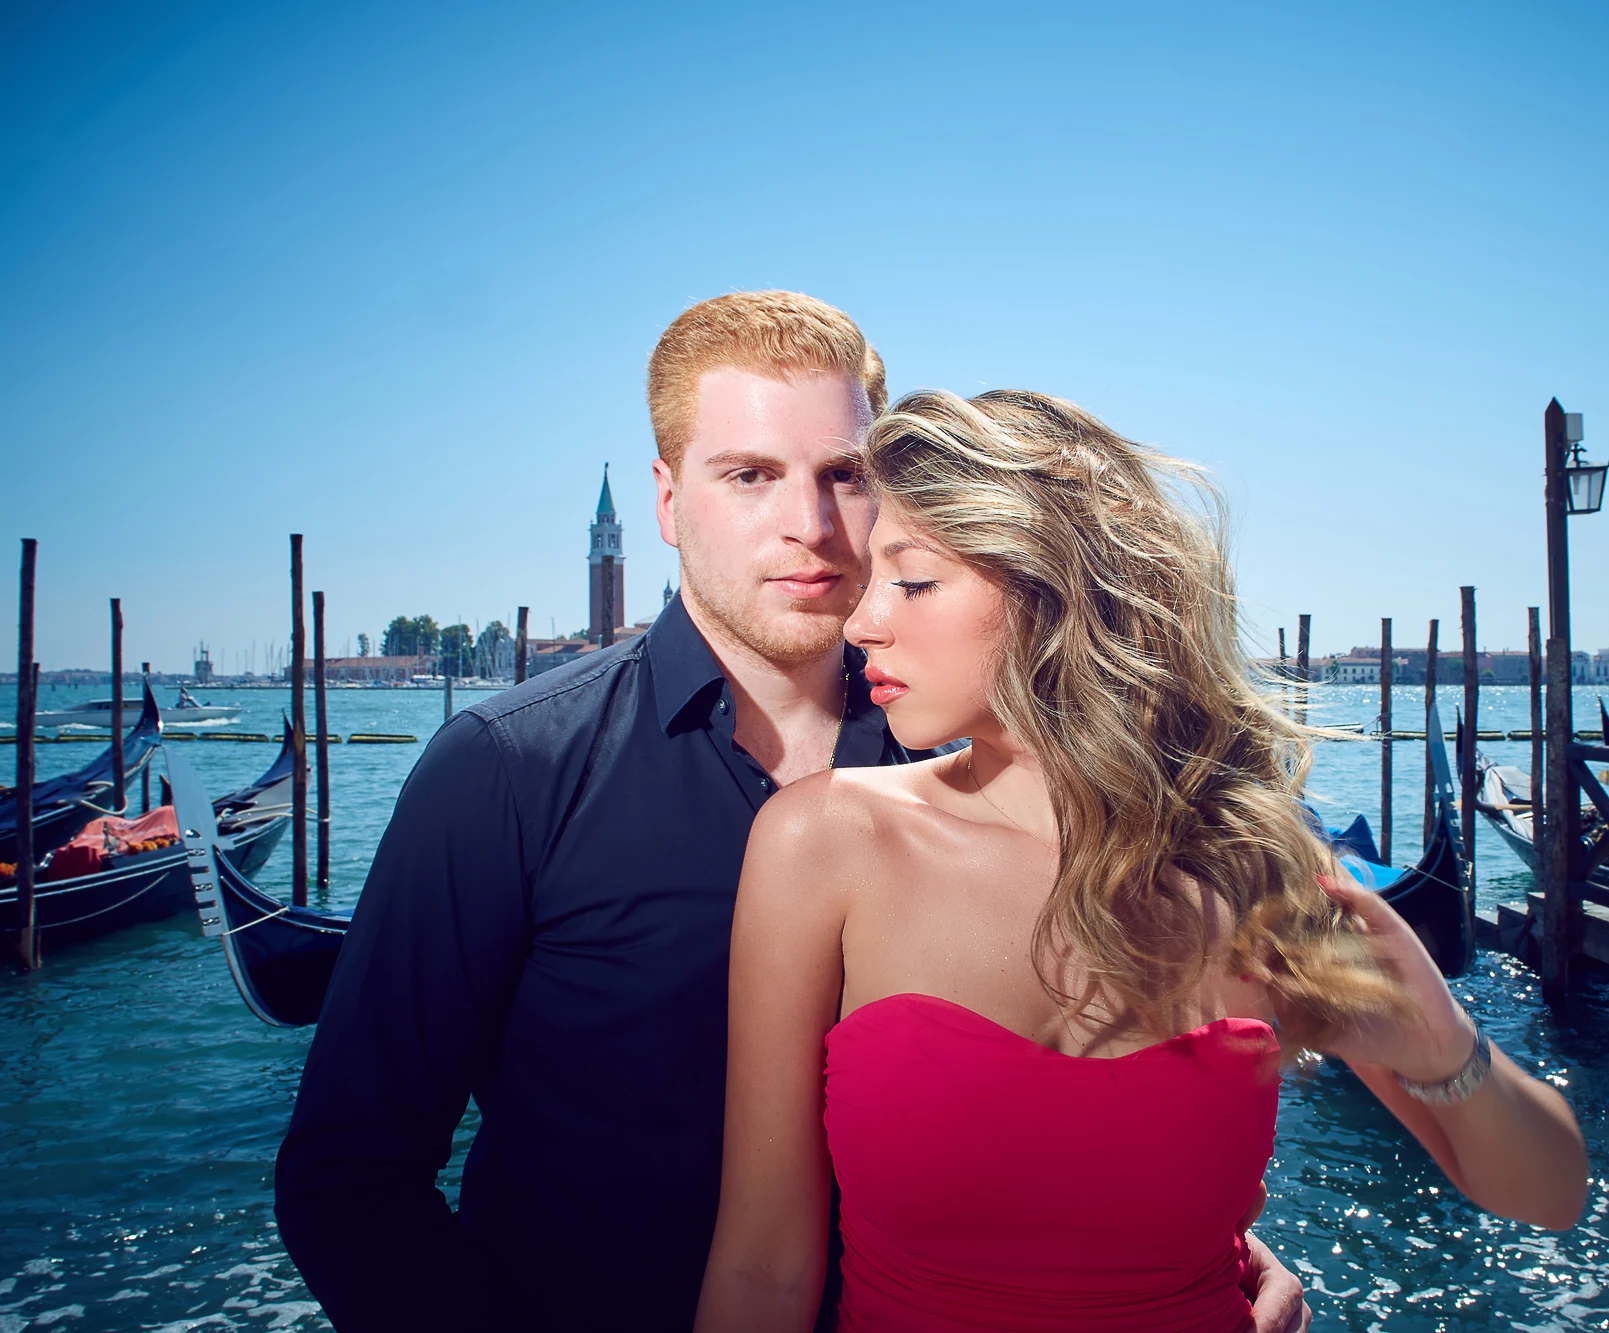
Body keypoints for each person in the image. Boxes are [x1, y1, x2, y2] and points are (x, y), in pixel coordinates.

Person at [273, 293, 1306, 1332]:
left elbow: (1061, 1101)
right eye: (750, 476)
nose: (808, 527)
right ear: (670, 501)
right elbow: (350, 1180)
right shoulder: (504, 769)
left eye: (844, 476)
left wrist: (1181, 1247)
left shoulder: (978, 750)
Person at [695, 390, 1590, 1332]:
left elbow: (1549, 1192)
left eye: (911, 581)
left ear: (1055, 590)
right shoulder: (822, 842)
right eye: (868, 580)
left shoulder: (1253, 873)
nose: (861, 621)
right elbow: (763, 1270)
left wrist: (1444, 1045)